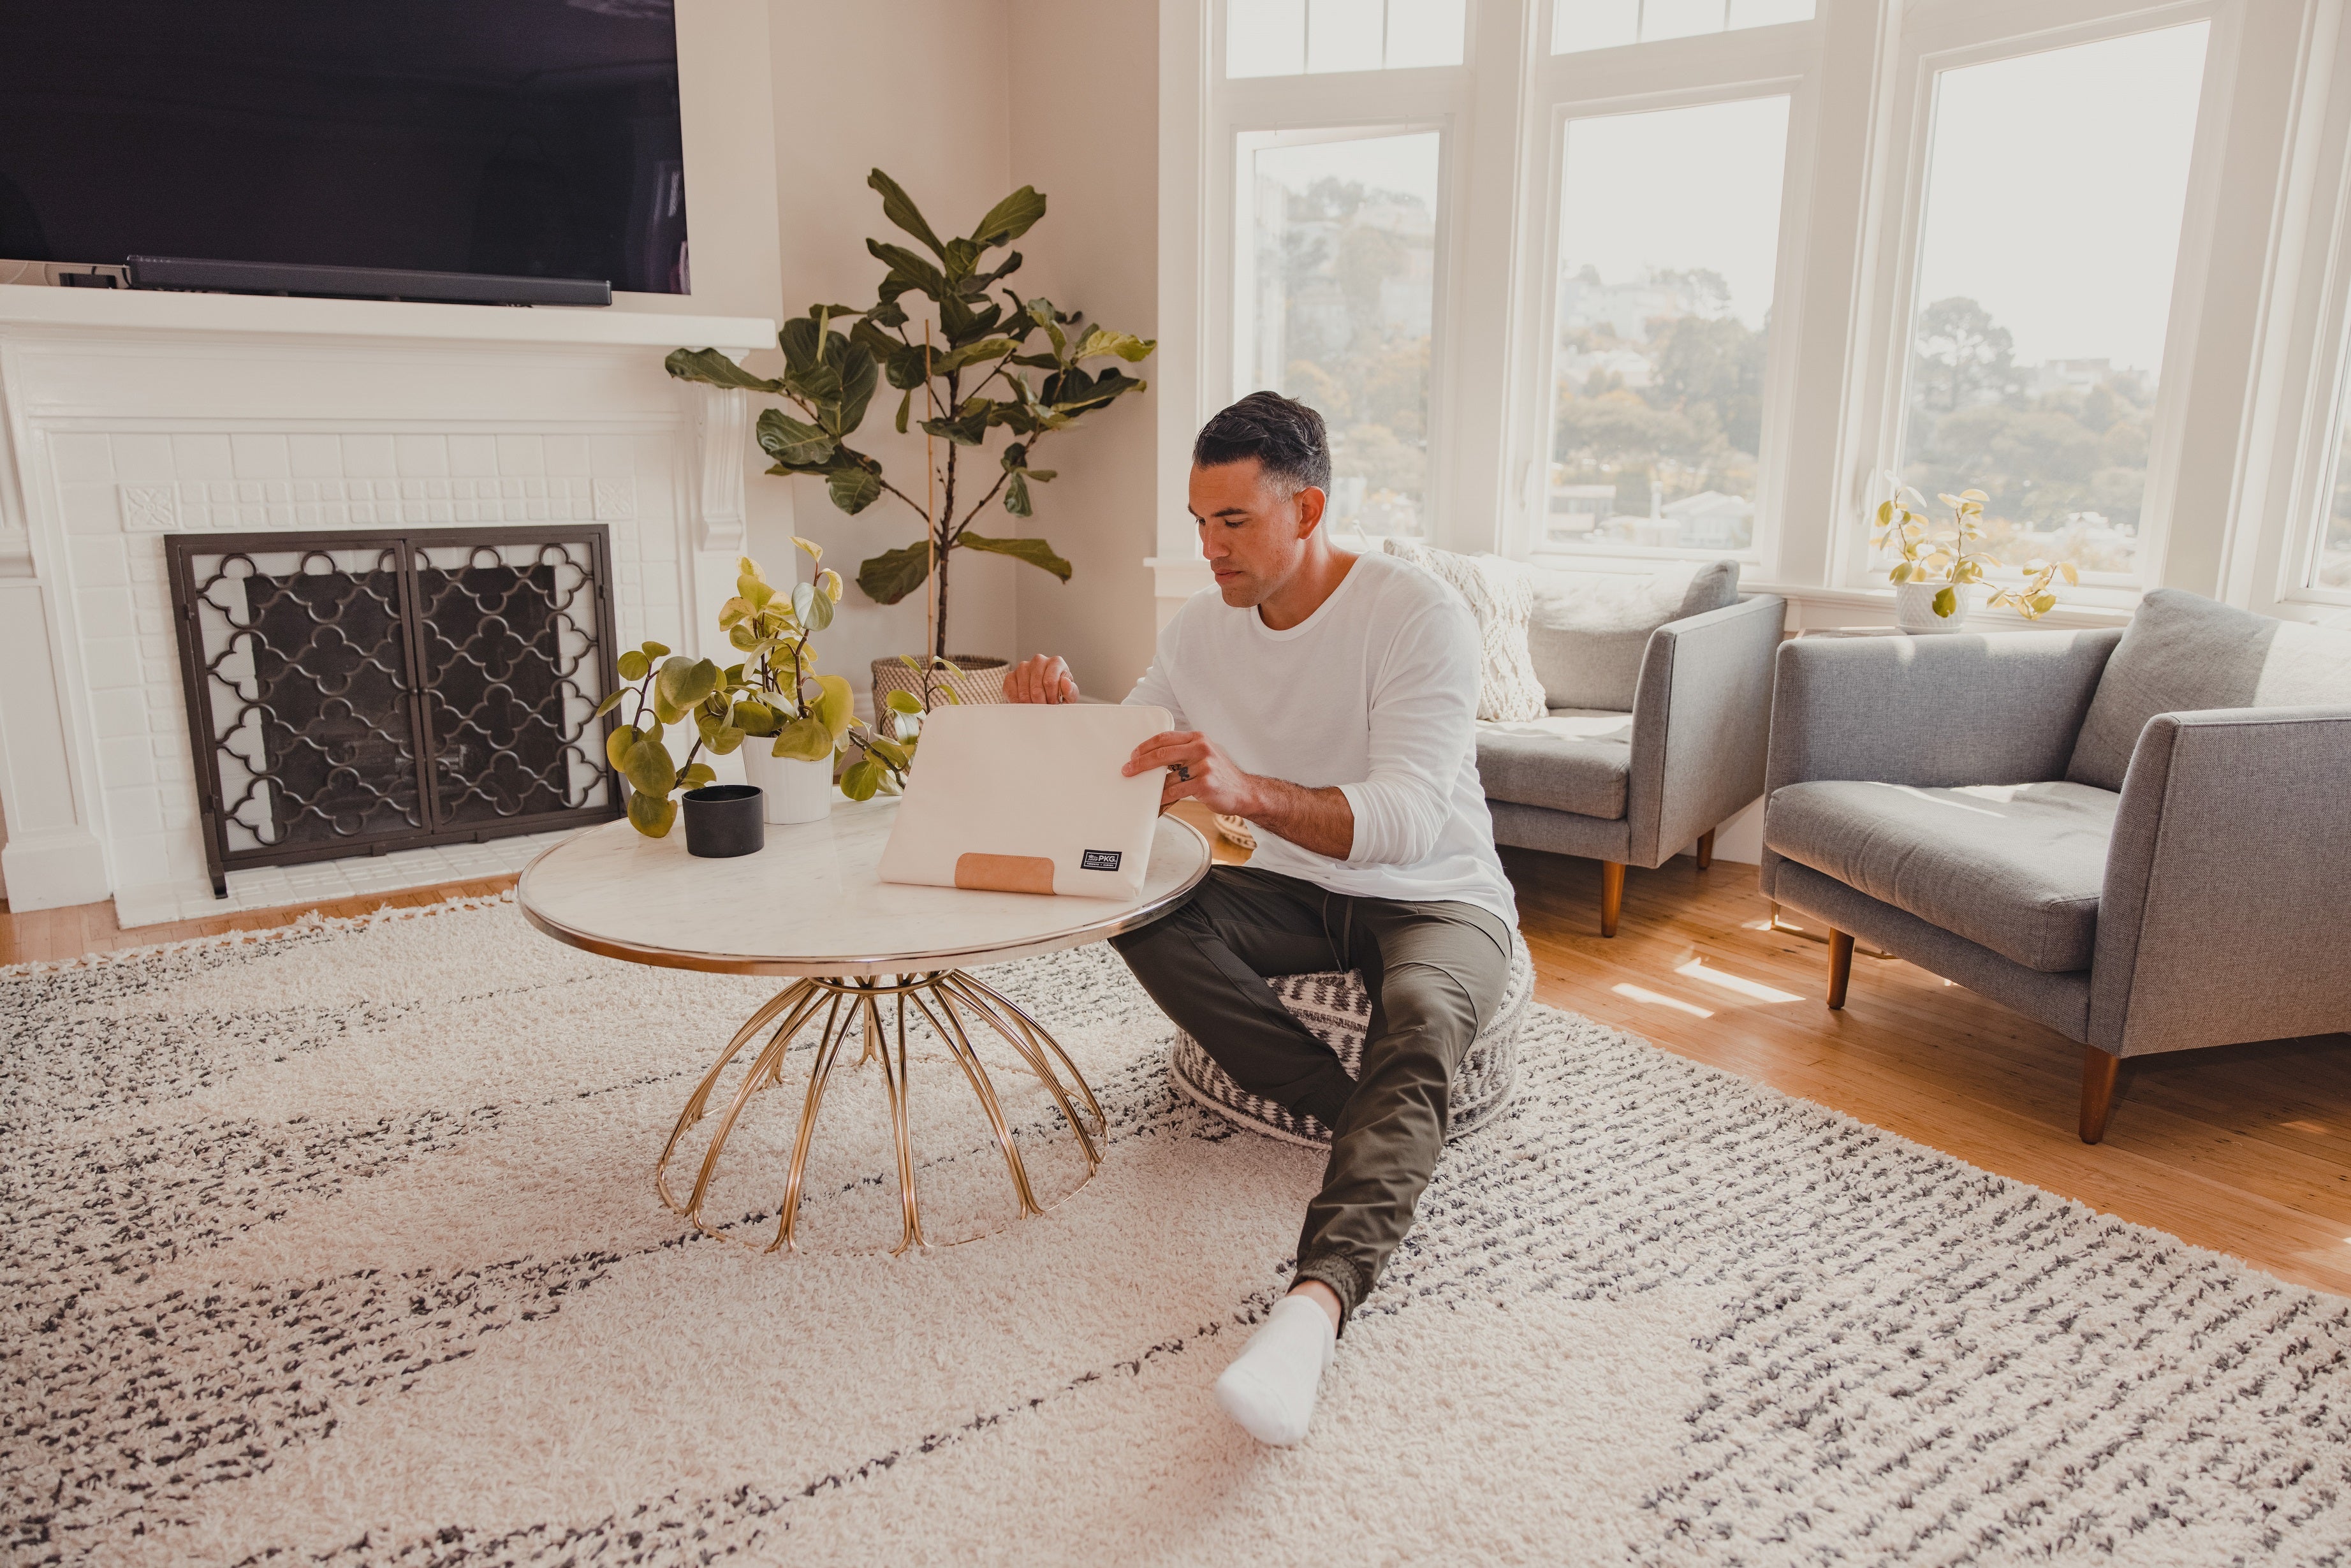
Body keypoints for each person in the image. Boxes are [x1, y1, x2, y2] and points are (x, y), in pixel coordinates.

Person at [1001, 391, 1517, 1446]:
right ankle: (1371, 1126)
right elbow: (1130, 768)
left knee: (1421, 1024)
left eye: (1232, 521)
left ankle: (1314, 1310)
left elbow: (1409, 820)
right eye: (1199, 522)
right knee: (1142, 907)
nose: (1209, 548)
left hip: (1437, 893)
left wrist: (1247, 792)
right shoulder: (1203, 628)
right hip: (1292, 888)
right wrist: (1059, 723)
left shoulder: (1416, 615)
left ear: (1307, 509)